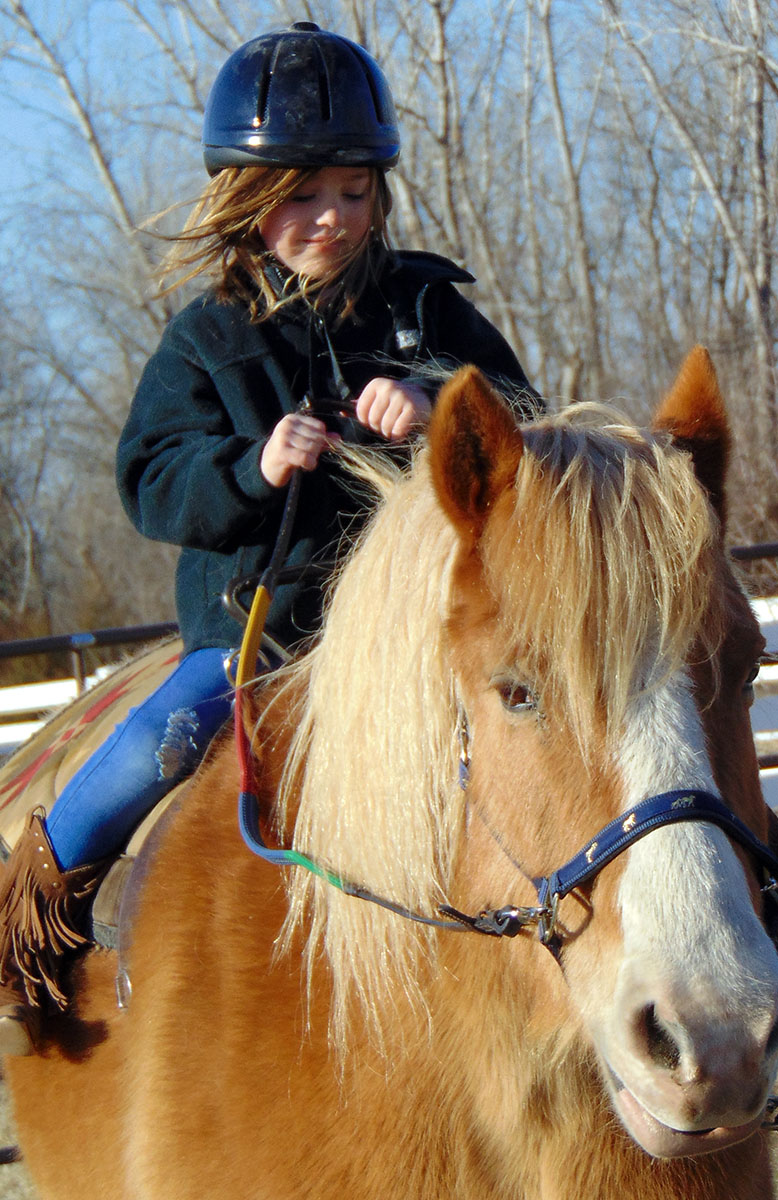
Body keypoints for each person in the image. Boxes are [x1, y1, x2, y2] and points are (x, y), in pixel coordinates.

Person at [0, 21, 539, 1055]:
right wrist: (253, 468)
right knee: (167, 736)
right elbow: (148, 478)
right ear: (247, 199)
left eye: (353, 191)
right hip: (264, 635)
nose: (333, 217)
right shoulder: (207, 338)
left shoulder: (428, 310)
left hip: (423, 631)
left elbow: (527, 420)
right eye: (303, 194)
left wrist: (438, 402)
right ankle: (27, 909)